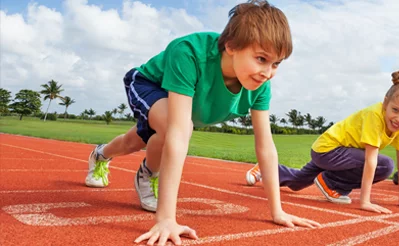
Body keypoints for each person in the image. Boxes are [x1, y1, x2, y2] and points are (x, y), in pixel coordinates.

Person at [83, 1, 321, 245]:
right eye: (261, 59)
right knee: (178, 129)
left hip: (180, 111)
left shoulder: (260, 85)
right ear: (230, 46)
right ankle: (148, 175)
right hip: (149, 84)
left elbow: (266, 148)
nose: (268, 72)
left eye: (276, 64)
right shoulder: (188, 53)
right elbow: (177, 132)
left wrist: (277, 211)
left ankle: (101, 154)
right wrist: (166, 219)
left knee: (133, 141)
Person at [246, 70, 399, 214]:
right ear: (385, 103)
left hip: (341, 155)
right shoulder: (375, 115)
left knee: (297, 182)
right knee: (385, 165)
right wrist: (364, 202)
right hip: (329, 150)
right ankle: (331, 183)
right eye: (395, 110)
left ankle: (265, 169)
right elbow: (371, 160)